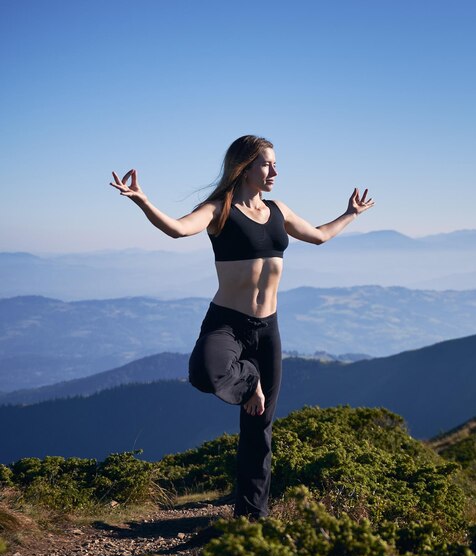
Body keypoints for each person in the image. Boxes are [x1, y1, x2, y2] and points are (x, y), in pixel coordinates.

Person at [110, 135, 374, 519]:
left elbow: (318, 236)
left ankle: (252, 518)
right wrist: (143, 201)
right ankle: (250, 381)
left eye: (275, 164)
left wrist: (351, 213)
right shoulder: (220, 209)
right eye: (267, 164)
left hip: (268, 330)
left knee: (259, 430)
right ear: (245, 166)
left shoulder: (278, 210)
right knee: (204, 373)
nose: (275, 171)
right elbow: (179, 230)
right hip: (228, 324)